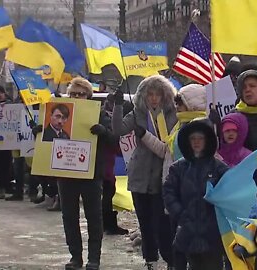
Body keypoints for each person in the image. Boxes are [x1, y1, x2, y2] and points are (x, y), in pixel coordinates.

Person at [32, 77, 106, 269]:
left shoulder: (97, 112)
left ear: (88, 96)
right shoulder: (58, 113)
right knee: (69, 217)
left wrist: (103, 131)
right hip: (66, 174)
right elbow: (46, 144)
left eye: (81, 94)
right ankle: (75, 257)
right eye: (73, 94)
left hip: (90, 173)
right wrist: (38, 131)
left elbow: (114, 139)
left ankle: (94, 258)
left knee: (94, 217)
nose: (77, 97)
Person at [138, 83, 207, 270]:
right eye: (176, 103)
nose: (177, 108)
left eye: (181, 104)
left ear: (193, 105)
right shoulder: (179, 126)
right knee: (172, 238)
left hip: (189, 193)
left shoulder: (201, 128)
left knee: (185, 241)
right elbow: (166, 151)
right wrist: (144, 135)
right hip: (173, 190)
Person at [112, 75, 177, 270]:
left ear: (165, 95)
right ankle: (150, 260)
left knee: (162, 224)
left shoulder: (172, 114)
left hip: (162, 175)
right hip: (140, 175)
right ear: (143, 96)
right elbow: (118, 131)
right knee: (145, 223)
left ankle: (170, 259)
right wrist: (117, 106)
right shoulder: (137, 113)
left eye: (158, 94)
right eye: (150, 94)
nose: (154, 98)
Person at [163, 119, 229, 270]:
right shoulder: (178, 168)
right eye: (193, 138)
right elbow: (168, 192)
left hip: (212, 233)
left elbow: (230, 192)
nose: (197, 142)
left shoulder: (219, 168)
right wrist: (180, 214)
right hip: (187, 231)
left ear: (208, 141)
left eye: (200, 138)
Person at [94, 93, 128, 235]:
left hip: (106, 165)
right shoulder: (96, 114)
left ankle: (107, 225)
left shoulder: (110, 117)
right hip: (92, 164)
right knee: (103, 196)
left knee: (108, 194)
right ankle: (103, 224)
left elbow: (116, 139)